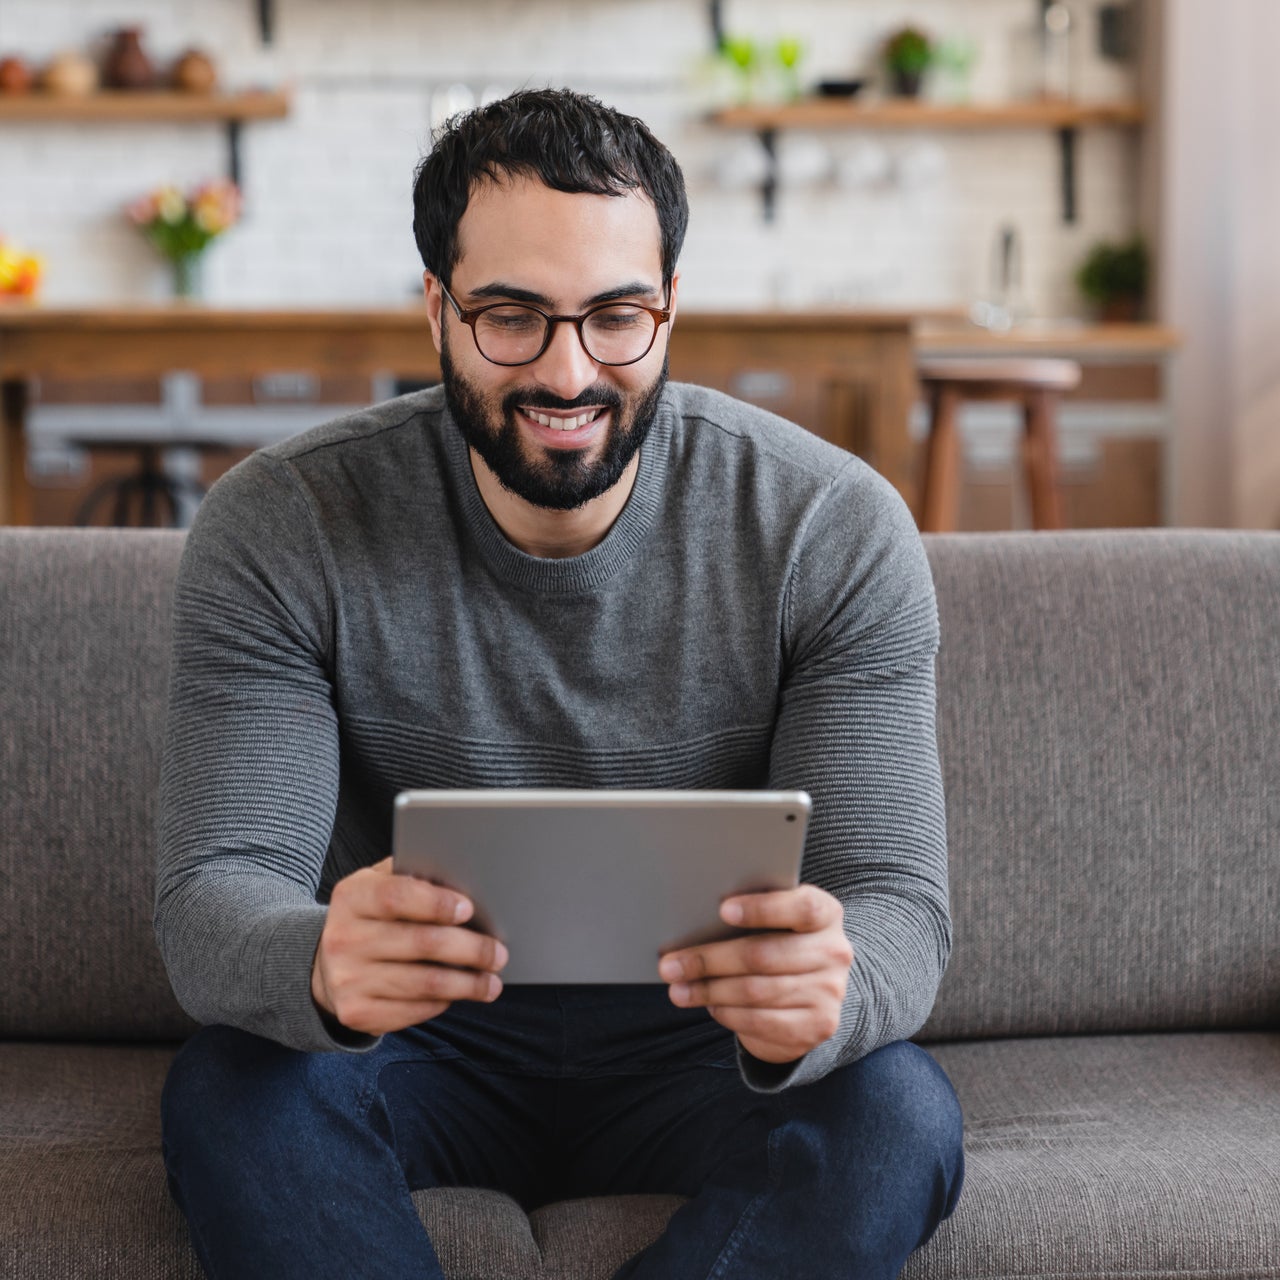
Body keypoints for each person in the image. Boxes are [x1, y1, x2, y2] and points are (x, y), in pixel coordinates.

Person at [156, 87, 964, 1279]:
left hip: (705, 1046)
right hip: (408, 1038)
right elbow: (212, 891)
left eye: (615, 316)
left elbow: (898, 897)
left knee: (894, 1114)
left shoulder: (828, 528)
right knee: (232, 1089)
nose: (567, 371)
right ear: (435, 306)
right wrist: (317, 961)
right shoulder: (282, 526)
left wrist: (824, 996)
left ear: (670, 305)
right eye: (510, 317)